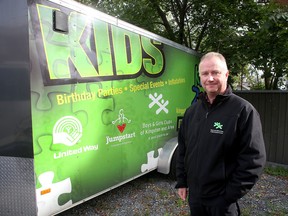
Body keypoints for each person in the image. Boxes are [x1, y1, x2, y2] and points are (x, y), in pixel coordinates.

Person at [175, 52, 266, 216]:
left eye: (215, 72)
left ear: (226, 74)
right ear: (200, 76)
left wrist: (228, 195)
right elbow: (183, 149)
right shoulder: (192, 112)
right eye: (205, 73)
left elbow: (253, 160)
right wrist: (182, 182)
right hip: (195, 199)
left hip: (221, 203)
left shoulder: (243, 111)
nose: (210, 78)